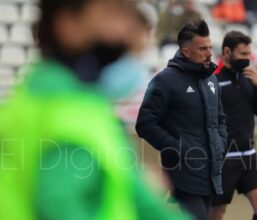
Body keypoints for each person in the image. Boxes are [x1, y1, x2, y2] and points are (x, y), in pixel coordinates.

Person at [0, 0, 192, 220]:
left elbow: (139, 199)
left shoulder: (63, 103)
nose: (127, 30)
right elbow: (58, 207)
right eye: (113, 13)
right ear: (68, 24)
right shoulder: (70, 117)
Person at [136, 19, 227, 220]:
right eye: (202, 48)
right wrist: (178, 148)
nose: (209, 53)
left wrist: (220, 143)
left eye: (210, 47)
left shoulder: (212, 79)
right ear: (186, 52)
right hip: (183, 174)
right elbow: (145, 124)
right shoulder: (165, 81)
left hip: (211, 174)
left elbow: (220, 118)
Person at [210, 31, 257, 220]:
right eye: (243, 55)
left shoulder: (249, 78)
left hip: (248, 156)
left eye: (249, 54)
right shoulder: (213, 80)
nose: (247, 59)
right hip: (222, 160)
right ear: (227, 52)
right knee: (216, 212)